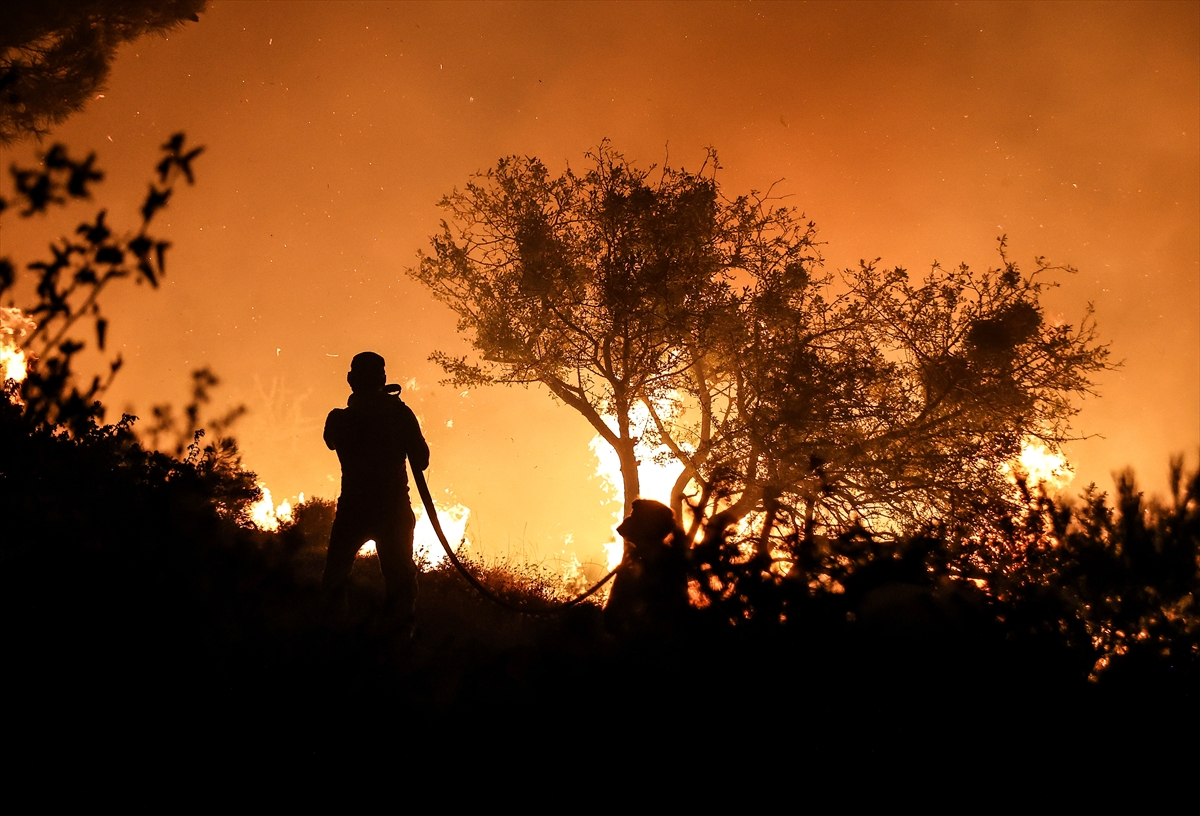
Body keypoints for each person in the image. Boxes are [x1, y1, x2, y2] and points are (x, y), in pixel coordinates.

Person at [322, 351, 430, 625]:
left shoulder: (338, 420)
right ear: (383, 378)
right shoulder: (399, 414)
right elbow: (422, 460)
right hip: (392, 511)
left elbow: (331, 441)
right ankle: (398, 640)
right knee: (401, 580)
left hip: (353, 509)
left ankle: (332, 636)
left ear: (350, 379)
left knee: (335, 577)